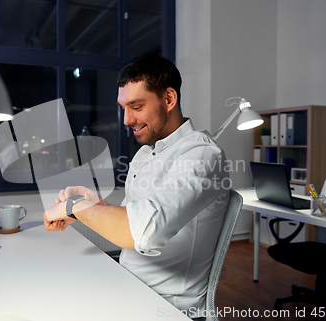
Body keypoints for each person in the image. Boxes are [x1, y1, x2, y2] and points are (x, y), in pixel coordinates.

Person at [43, 53, 230, 320]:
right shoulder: (144, 155)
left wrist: (74, 208)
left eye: (136, 106)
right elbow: (133, 219)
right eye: (123, 107)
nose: (126, 120)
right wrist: (97, 205)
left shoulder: (202, 156)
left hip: (164, 306)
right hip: (127, 284)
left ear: (168, 99)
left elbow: (144, 231)